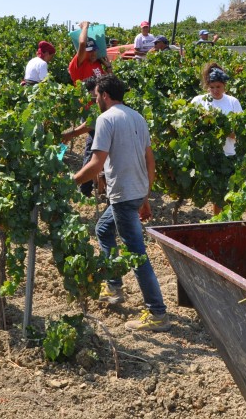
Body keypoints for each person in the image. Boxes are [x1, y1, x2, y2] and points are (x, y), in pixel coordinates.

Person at [74, 75, 170, 332]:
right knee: (103, 230)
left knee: (137, 255)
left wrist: (71, 181)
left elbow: (95, 163)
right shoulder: (137, 117)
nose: (95, 101)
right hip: (136, 192)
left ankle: (157, 313)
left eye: (96, 96)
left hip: (124, 195)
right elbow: (150, 159)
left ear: (105, 95)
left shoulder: (106, 119)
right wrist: (146, 197)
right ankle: (114, 284)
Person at [190, 63, 242, 156]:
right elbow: (190, 128)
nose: (215, 90)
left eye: (218, 86)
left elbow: (241, 133)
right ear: (207, 86)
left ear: (224, 85)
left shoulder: (233, 102)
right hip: (205, 156)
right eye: (212, 87)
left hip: (229, 155)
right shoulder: (198, 101)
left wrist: (224, 130)